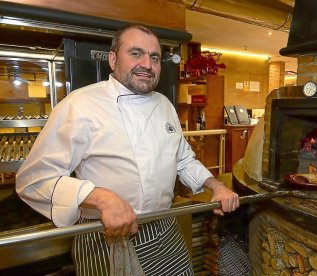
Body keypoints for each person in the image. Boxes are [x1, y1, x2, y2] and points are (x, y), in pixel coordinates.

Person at [16, 24, 239, 275]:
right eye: (136, 53)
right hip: (104, 236)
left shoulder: (164, 104)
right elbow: (34, 180)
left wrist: (215, 186)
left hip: (165, 230)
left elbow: (183, 159)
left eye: (154, 57)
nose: (147, 63)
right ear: (113, 59)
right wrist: (101, 197)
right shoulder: (79, 105)